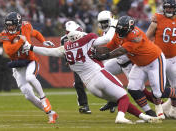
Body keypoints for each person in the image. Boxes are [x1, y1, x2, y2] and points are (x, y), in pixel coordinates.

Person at [22, 20, 160, 124]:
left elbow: (47, 51)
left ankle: (143, 117)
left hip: (90, 86)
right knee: (123, 95)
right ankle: (120, 117)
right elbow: (106, 39)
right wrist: (113, 25)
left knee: (118, 99)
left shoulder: (65, 49)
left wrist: (31, 47)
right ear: (78, 31)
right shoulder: (87, 39)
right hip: (99, 74)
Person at [92, 15, 176, 120]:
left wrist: (104, 56)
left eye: (123, 30)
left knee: (158, 92)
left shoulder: (135, 37)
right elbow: (109, 47)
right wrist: (94, 51)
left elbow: (121, 51)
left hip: (154, 61)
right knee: (133, 88)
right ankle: (150, 113)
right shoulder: (118, 33)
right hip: (140, 64)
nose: (120, 32)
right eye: (119, 28)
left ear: (130, 29)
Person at [0, 12, 58, 123]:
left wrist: (43, 41)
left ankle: (43, 98)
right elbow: (9, 50)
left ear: (19, 24)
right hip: (17, 66)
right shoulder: (4, 35)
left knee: (30, 77)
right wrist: (21, 40)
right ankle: (51, 114)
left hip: (30, 61)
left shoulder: (26, 27)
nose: (10, 27)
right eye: (8, 25)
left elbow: (35, 33)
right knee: (28, 94)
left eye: (12, 25)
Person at [96, 10, 156, 116]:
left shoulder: (117, 26)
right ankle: (114, 99)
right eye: (102, 22)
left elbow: (115, 46)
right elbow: (109, 46)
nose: (104, 25)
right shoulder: (110, 29)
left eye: (106, 22)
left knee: (138, 89)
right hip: (119, 61)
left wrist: (92, 44)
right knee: (102, 73)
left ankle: (157, 107)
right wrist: (92, 51)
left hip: (130, 61)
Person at [146, 0, 176, 118]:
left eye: (171, 8)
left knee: (175, 87)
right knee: (157, 85)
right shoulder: (157, 19)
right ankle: (159, 109)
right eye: (167, 8)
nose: (169, 10)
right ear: (164, 8)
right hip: (159, 59)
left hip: (173, 59)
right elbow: (147, 37)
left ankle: (173, 110)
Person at [60, 21, 91, 114]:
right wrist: (67, 61)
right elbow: (64, 51)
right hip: (77, 64)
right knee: (78, 83)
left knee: (98, 83)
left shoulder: (85, 35)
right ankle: (84, 105)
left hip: (89, 62)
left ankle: (112, 101)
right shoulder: (63, 39)